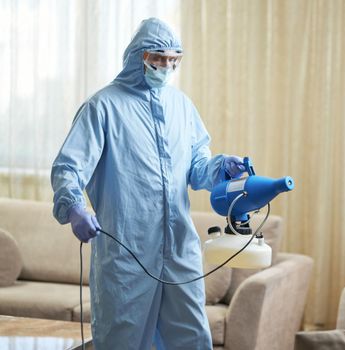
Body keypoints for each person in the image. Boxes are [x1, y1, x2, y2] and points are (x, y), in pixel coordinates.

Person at [51, 18, 245, 350]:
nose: (166, 66)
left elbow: (196, 169)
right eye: (159, 58)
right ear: (139, 57)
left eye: (174, 60)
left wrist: (219, 168)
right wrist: (74, 208)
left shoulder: (181, 107)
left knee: (193, 338)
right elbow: (69, 167)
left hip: (179, 248)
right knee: (121, 340)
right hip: (127, 254)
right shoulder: (103, 107)